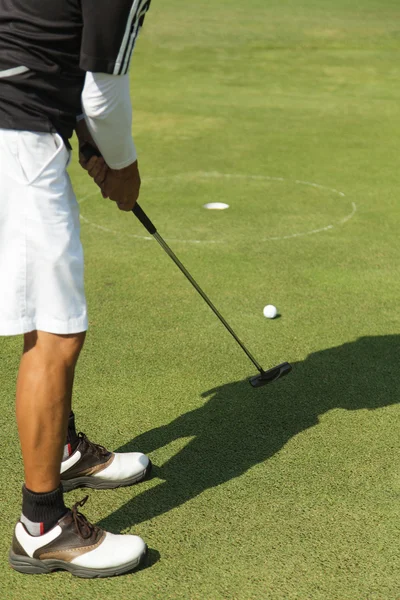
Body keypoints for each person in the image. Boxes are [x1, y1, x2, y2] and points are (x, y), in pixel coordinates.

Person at [0, 0, 153, 578]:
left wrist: (88, 142)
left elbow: (47, 38)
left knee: (47, 318)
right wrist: (123, 164)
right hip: (18, 137)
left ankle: (60, 450)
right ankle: (41, 527)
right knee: (56, 331)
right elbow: (101, 90)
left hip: (18, 124)